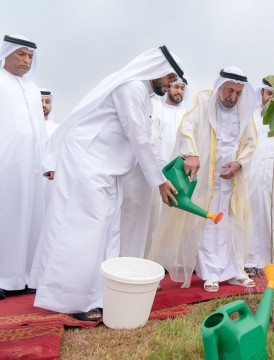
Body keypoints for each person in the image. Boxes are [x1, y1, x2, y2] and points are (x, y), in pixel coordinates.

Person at [29, 46, 185, 319]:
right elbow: (137, 136)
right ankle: (74, 301)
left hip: (106, 169)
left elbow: (147, 140)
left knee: (106, 232)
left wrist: (164, 173)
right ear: (156, 69)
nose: (171, 84)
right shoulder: (132, 88)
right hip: (86, 164)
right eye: (169, 78)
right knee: (85, 231)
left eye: (174, 80)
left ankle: (98, 296)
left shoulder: (145, 96)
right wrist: (159, 182)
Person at [151, 67, 257, 292]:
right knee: (208, 223)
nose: (233, 97)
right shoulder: (204, 100)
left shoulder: (243, 109)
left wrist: (239, 163)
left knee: (232, 223)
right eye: (229, 91)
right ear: (220, 86)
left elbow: (251, 142)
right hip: (205, 179)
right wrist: (191, 152)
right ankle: (210, 273)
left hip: (232, 181)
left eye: (238, 93)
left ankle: (234, 269)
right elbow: (187, 127)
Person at [0, 35, 46, 300]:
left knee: (32, 218)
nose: (26, 61)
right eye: (21, 55)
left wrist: (47, 162)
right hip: (5, 161)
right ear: (6, 53)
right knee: (5, 216)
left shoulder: (32, 88)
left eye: (30, 56)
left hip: (32, 165)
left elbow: (40, 129)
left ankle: (27, 275)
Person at [144, 77, 189, 258]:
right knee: (156, 218)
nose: (179, 91)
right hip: (161, 174)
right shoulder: (158, 111)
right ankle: (153, 260)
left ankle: (175, 261)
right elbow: (152, 142)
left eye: (182, 88)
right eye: (175, 87)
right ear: (168, 88)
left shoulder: (188, 114)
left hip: (183, 175)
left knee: (180, 221)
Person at [244, 79, 274, 276]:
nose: (271, 98)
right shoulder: (251, 116)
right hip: (252, 174)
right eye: (269, 94)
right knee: (253, 216)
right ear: (262, 94)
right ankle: (251, 260)